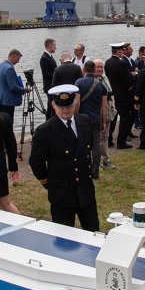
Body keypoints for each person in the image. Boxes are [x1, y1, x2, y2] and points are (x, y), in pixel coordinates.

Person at [29, 85, 99, 231]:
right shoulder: (45, 131)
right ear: (53, 104)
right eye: (61, 106)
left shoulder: (84, 121)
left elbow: (88, 148)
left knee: (93, 232)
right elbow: (36, 162)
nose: (66, 109)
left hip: (85, 190)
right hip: (62, 193)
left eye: (69, 105)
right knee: (64, 239)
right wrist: (48, 182)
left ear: (75, 103)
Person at [75, 60, 108, 178]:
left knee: (83, 144)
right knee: (96, 145)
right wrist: (104, 121)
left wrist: (75, 115)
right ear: (95, 70)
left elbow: (77, 102)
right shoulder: (101, 85)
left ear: (84, 70)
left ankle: (84, 169)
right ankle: (95, 172)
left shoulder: (78, 82)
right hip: (95, 118)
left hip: (82, 119)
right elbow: (104, 106)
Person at [105, 42, 136, 149]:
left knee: (113, 118)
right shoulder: (121, 64)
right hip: (123, 94)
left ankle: (108, 139)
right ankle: (121, 141)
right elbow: (127, 80)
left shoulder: (107, 63)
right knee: (125, 117)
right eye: (121, 50)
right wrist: (130, 86)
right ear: (118, 51)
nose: (122, 52)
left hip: (113, 93)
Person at [92, 60, 116, 170]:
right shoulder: (91, 80)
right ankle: (95, 161)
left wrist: (113, 107)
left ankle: (105, 159)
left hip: (107, 109)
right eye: (98, 67)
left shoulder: (104, 78)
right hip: (97, 111)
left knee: (105, 136)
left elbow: (111, 94)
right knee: (96, 137)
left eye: (102, 67)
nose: (100, 69)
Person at [0, 49, 27, 119]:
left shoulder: (0, 65)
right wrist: (24, 90)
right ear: (13, 57)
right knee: (8, 121)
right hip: (7, 101)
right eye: (18, 59)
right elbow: (13, 87)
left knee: (2, 121)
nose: (18, 61)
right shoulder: (9, 68)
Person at [40, 38, 58, 118]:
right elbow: (46, 74)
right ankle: (52, 124)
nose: (55, 47)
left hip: (52, 85)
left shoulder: (49, 56)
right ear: (50, 46)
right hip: (49, 86)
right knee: (53, 107)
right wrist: (57, 74)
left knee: (50, 107)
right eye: (54, 46)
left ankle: (48, 123)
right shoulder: (44, 58)